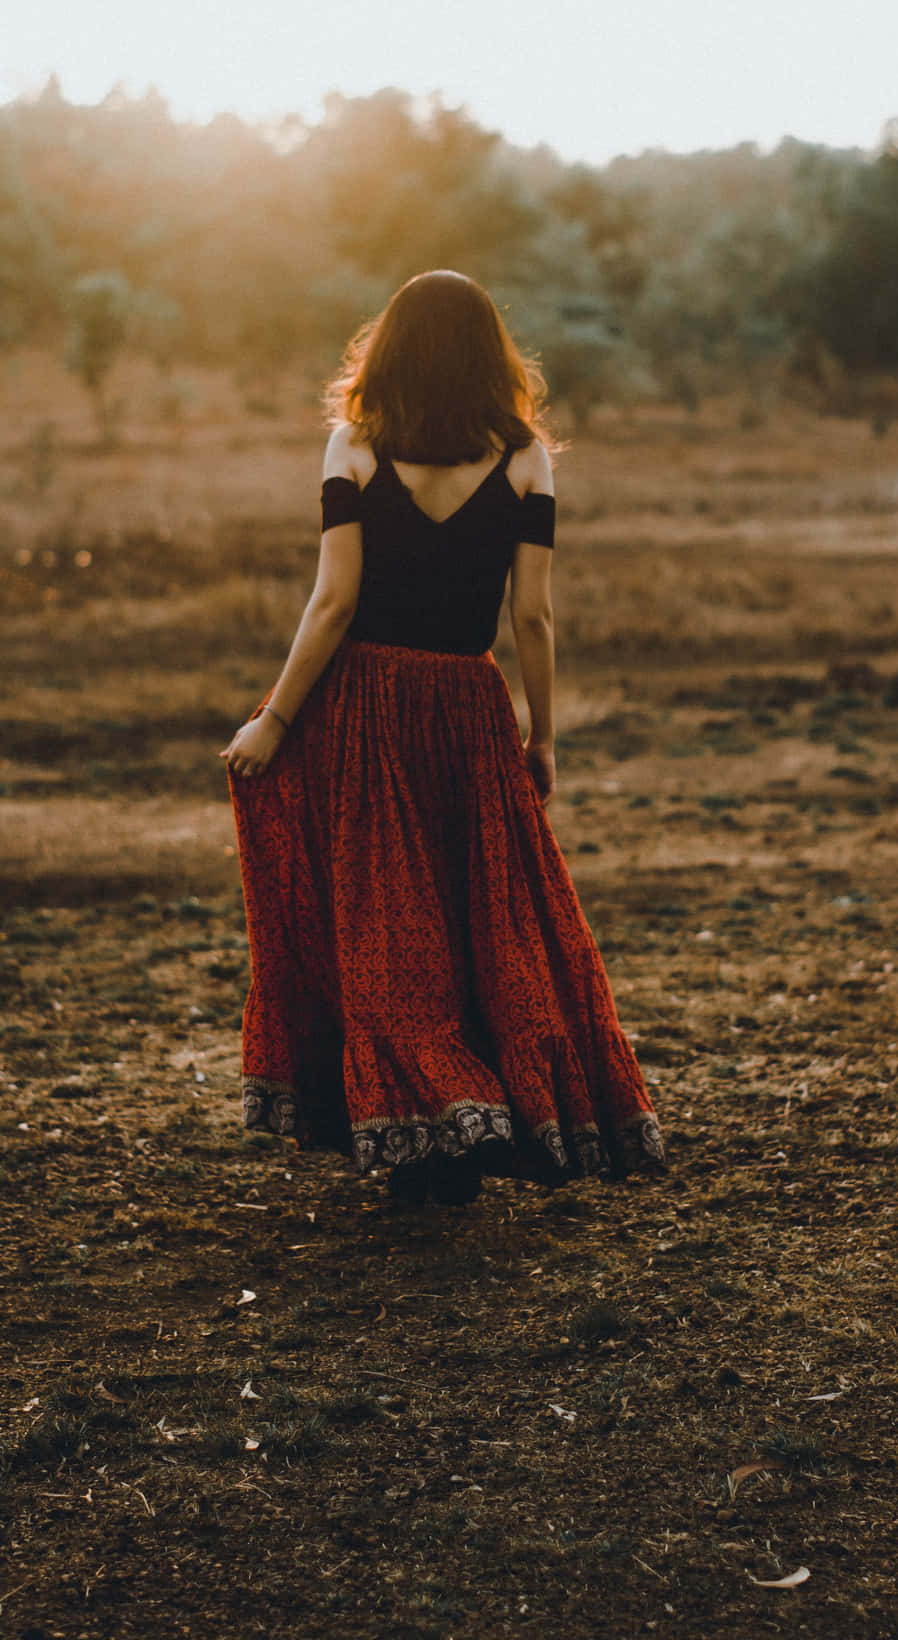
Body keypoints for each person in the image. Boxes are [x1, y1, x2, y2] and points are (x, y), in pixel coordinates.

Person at [221, 270, 664, 1205]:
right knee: (486, 916)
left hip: (365, 704)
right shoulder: (525, 459)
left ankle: (429, 1113)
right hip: (469, 708)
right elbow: (533, 619)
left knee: (385, 918)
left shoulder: (355, 449)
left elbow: (335, 600)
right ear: (488, 357)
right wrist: (541, 738)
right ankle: (482, 1105)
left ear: (389, 351)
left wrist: (276, 718)